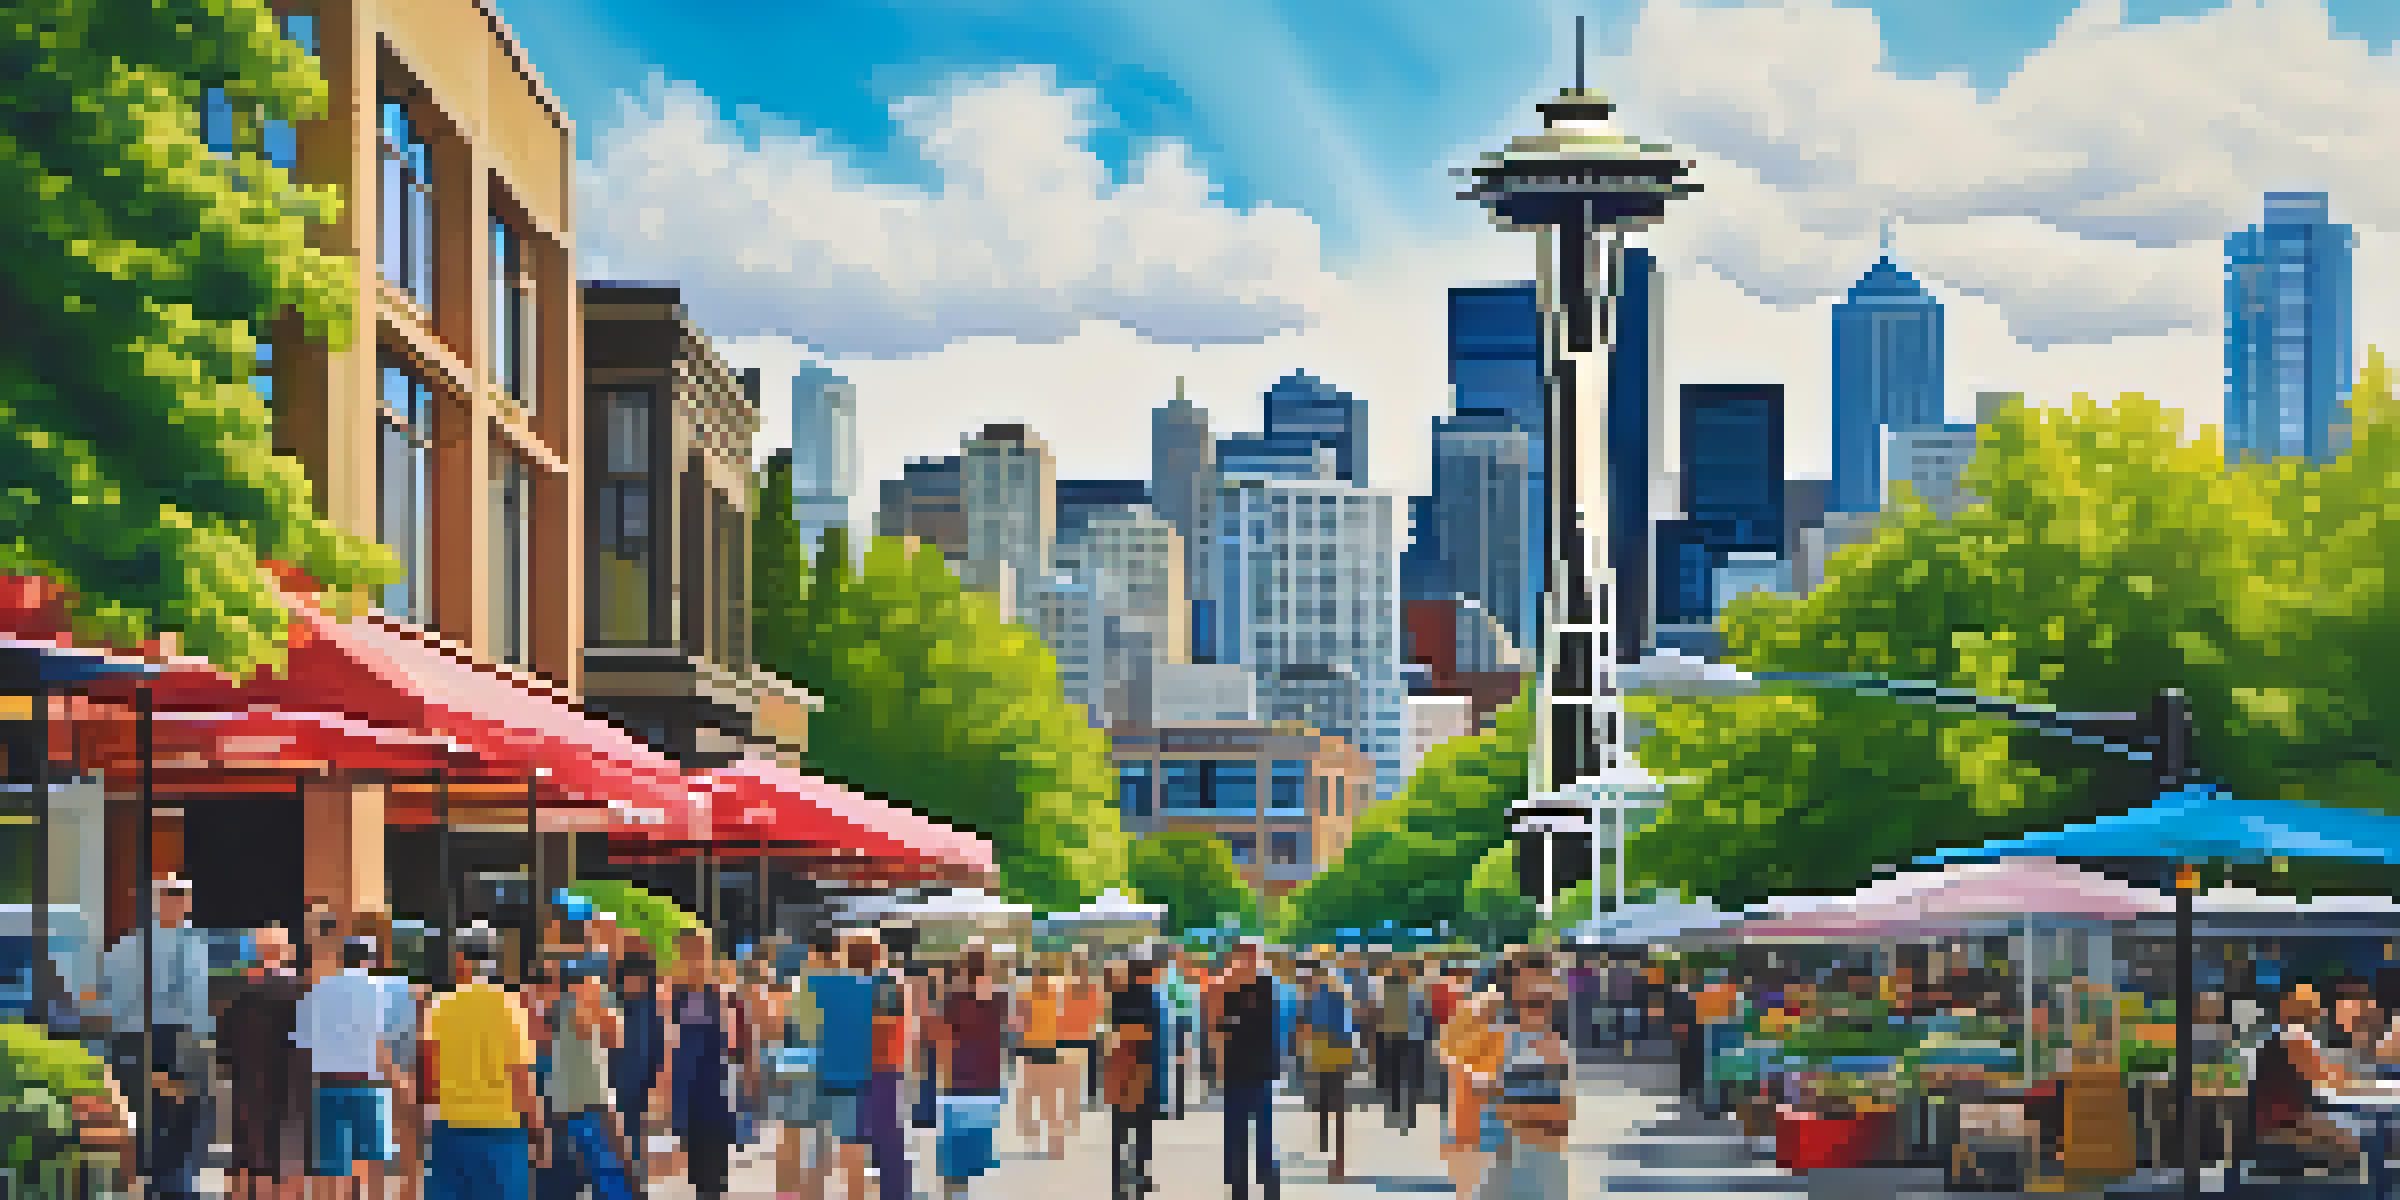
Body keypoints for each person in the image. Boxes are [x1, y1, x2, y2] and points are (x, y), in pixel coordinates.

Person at [96, 873, 214, 1200]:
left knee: (143, 1139)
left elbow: (106, 1009)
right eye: (178, 894)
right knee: (181, 1144)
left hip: (131, 1049)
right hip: (174, 1045)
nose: (186, 902)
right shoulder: (189, 947)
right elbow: (192, 1010)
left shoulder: (121, 950)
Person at [422, 923, 543, 1200]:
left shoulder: (439, 1007)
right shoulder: (510, 1007)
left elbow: (429, 1077)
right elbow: (521, 1078)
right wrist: (538, 1131)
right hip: (502, 1134)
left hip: (450, 1131)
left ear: (458, 958)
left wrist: (425, 1125)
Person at [293, 934, 402, 1200]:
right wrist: (399, 1081)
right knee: (374, 1164)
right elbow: (386, 1042)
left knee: (332, 1169)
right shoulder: (380, 990)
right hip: (369, 1086)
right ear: (370, 959)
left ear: (342, 958)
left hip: (328, 1086)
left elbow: (303, 1043)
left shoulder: (317, 990)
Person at [536, 929, 632, 1200]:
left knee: (608, 1181)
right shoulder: (552, 997)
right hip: (568, 1106)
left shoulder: (593, 994)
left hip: (588, 1104)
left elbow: (616, 1037)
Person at [221, 923, 311, 1200]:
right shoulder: (301, 991)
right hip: (289, 1087)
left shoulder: (238, 993)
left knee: (250, 1154)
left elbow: (224, 1043)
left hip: (249, 1086)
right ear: (288, 953)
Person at [1487, 953, 1575, 1197]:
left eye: (1544, 991)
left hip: (1547, 1169)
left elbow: (1563, 1117)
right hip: (1508, 1169)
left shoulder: (1557, 1045)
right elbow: (1491, 1109)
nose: (1540, 994)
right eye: (1530, 993)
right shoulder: (1499, 1042)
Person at [667, 929, 742, 1200]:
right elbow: (668, 1047)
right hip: (687, 1097)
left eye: (698, 952)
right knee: (698, 1173)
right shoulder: (674, 995)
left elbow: (733, 1043)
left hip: (714, 1094)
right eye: (687, 953)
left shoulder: (720, 993)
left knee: (713, 1177)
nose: (692, 960)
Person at [2254, 984, 2364, 1168]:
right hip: (2282, 1127)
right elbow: (2326, 1078)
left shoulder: (2280, 1036)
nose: (2319, 1014)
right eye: (2315, 1009)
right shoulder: (2294, 1038)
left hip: (2284, 1121)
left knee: (2349, 1130)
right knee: (2354, 1142)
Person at [934, 941, 1010, 1198]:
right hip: (987, 1082)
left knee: (955, 1161)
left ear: (963, 969)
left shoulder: (953, 1000)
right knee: (974, 1153)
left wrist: (941, 1076)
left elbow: (942, 1041)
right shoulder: (999, 1000)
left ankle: (956, 1190)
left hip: (958, 1082)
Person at [1214, 939, 1283, 1200]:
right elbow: (1218, 1028)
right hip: (1235, 1070)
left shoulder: (1266, 986)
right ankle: (1237, 1185)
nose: (1247, 960)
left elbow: (1270, 1027)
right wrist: (1220, 1065)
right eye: (1243, 955)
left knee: (1263, 1133)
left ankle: (1267, 1181)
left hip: (1261, 1070)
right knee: (1236, 1133)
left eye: (1252, 955)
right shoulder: (1226, 987)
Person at [1104, 951, 1165, 1200]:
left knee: (1121, 1127)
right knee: (1141, 1127)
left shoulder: (1117, 996)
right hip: (1140, 1068)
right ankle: (1140, 1178)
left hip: (1120, 1066)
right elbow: (1152, 1037)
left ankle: (1119, 1180)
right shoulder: (1149, 998)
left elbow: (1112, 1033)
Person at [1437, 988, 1506, 1200]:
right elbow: (1447, 1052)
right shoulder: (1467, 1023)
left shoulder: (1496, 1032)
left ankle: (1468, 1182)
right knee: (1466, 1134)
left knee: (1475, 1136)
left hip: (1480, 1089)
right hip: (1468, 1087)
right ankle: (1465, 1184)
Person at [608, 944, 667, 1189]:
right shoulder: (615, 1007)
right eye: (630, 977)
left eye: (639, 978)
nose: (634, 983)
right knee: (615, 1145)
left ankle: (635, 1184)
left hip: (641, 1088)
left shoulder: (652, 1010)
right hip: (615, 1088)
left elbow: (659, 1050)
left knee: (634, 1143)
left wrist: (656, 1085)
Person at [1296, 960, 1357, 1182]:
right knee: (1332, 1102)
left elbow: (1308, 1027)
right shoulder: (1333, 995)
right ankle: (1334, 1153)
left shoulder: (1318, 997)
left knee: (1329, 1101)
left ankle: (1334, 1153)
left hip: (1329, 1053)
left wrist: (1302, 1048)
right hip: (1334, 1053)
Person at [1015, 954, 1075, 1159]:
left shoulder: (1029, 996)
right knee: (1043, 1099)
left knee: (1032, 1098)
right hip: (1044, 1050)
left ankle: (1041, 1141)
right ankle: (1051, 1142)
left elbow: (1019, 1023)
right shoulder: (1052, 995)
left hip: (1035, 1050)